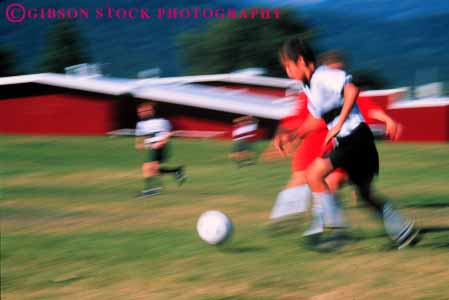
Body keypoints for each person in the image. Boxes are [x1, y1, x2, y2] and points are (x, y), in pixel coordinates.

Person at [276, 36, 419, 249]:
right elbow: (315, 119)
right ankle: (404, 232)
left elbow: (352, 89)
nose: (287, 72)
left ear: (302, 61)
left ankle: (339, 232)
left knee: (315, 174)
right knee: (365, 195)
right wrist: (293, 136)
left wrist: (338, 124)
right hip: (353, 140)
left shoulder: (323, 75)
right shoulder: (309, 87)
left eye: (289, 65)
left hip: (354, 138)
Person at [270, 51, 401, 220]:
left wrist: (386, 119)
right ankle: (285, 221)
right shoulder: (310, 92)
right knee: (301, 180)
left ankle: (332, 229)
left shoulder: (341, 89)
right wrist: (289, 136)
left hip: (340, 146)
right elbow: (301, 119)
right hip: (312, 149)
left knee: (331, 182)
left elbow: (365, 105)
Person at [135, 101, 186, 197]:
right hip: (153, 147)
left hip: (161, 146)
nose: (141, 114)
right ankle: (176, 171)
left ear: (151, 111)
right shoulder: (140, 124)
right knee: (151, 168)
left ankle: (151, 190)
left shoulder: (162, 121)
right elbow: (140, 140)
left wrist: (161, 143)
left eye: (143, 111)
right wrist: (140, 144)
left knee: (148, 167)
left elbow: (168, 134)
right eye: (139, 112)